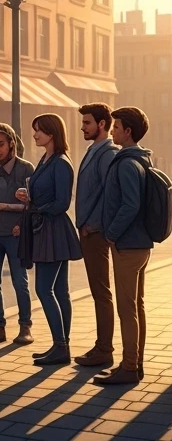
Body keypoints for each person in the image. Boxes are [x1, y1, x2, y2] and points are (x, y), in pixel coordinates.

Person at [15, 114, 82, 365]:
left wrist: (36, 207)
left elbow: (62, 202)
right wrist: (29, 197)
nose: (34, 135)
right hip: (48, 227)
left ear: (51, 133)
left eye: (38, 131)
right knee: (60, 291)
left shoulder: (61, 162)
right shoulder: (46, 159)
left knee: (44, 289)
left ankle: (61, 347)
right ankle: (61, 346)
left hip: (52, 230)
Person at [95, 106, 154, 386]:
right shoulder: (142, 160)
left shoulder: (127, 163)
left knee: (127, 309)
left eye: (116, 127)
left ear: (127, 131)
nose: (113, 131)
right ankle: (134, 363)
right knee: (136, 307)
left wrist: (111, 234)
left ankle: (130, 367)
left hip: (128, 246)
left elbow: (131, 205)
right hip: (139, 244)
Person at [73, 103, 118, 371]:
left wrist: (94, 225)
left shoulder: (107, 153)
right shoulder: (94, 150)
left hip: (96, 232)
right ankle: (101, 346)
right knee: (98, 291)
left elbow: (110, 195)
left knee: (101, 292)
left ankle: (104, 349)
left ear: (102, 124)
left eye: (87, 123)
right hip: (89, 230)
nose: (83, 127)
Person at [0, 122, 35, 345]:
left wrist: (21, 224)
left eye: (1, 144)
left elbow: (33, 203)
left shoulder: (26, 169)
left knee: (19, 281)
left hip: (16, 235)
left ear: (11, 144)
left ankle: (25, 326)